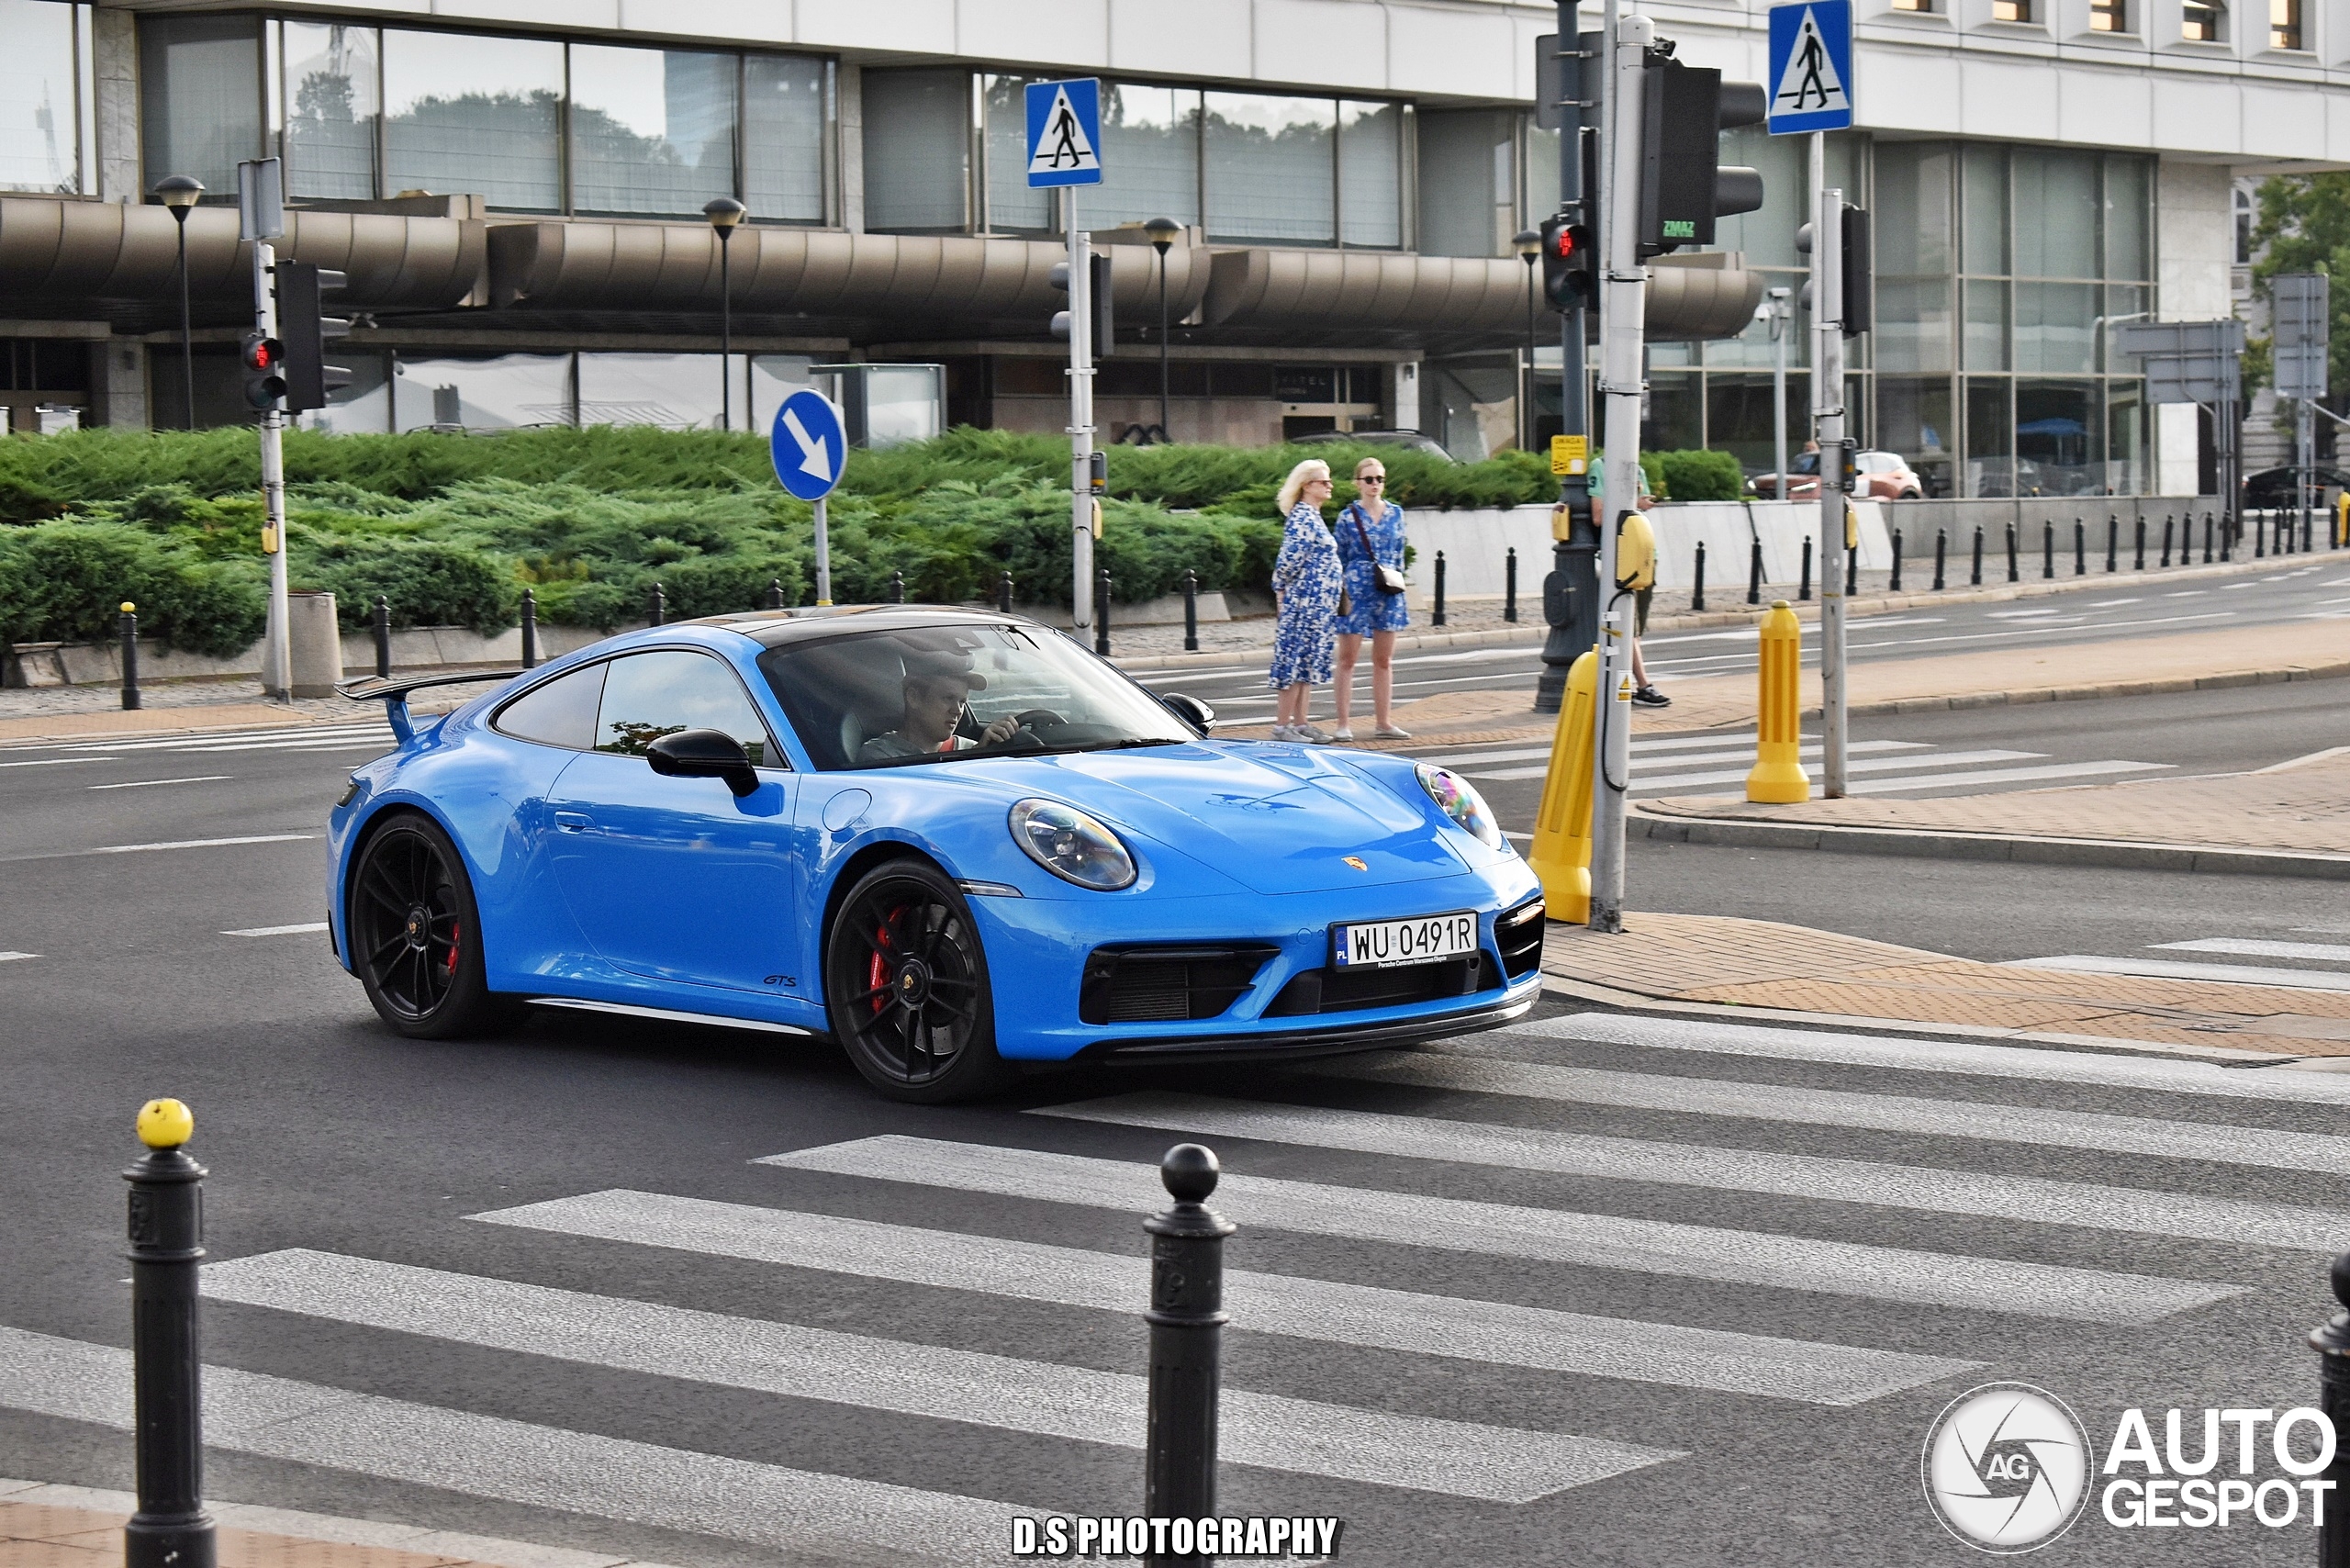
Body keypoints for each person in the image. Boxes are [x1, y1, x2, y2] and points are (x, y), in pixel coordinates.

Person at [1331, 456, 1411, 740]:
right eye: (1369, 479)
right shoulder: (1347, 516)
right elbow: (1338, 556)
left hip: (1387, 587)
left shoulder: (1397, 514)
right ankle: (1343, 723)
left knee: (1384, 659)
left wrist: (1397, 579)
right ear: (1358, 483)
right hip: (1356, 588)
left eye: (1379, 479)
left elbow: (1400, 552)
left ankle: (1384, 722)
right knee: (1347, 659)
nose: (1375, 484)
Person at [1267, 458, 1341, 743]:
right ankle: (1283, 725)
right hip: (1305, 601)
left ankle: (1300, 723)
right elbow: (1289, 559)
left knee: (1306, 662)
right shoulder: (1303, 517)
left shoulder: (1312, 515)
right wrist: (1281, 588)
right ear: (1306, 486)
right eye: (1324, 482)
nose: (1330, 485)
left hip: (1317, 603)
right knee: (1295, 660)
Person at [1587, 461, 1671, 709]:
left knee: (1636, 628)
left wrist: (1640, 503)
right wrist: (1637, 503)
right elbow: (1599, 515)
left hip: (1643, 551)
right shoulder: (1600, 467)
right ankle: (1643, 685)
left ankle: (1626, 682)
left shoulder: (1638, 468)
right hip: (1620, 554)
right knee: (1628, 626)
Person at [859, 655, 1021, 762]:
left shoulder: (972, 748)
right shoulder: (879, 757)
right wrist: (971, 759)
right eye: (948, 698)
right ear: (913, 698)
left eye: (962, 701)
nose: (957, 711)